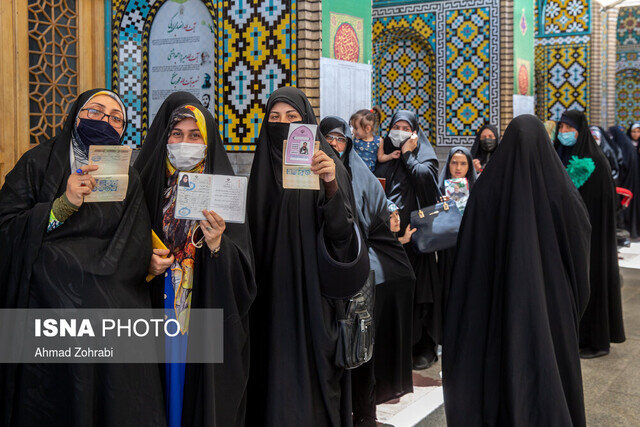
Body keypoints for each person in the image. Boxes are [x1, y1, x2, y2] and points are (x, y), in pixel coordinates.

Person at [0, 89, 165, 425]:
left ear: (122, 130)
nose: (104, 120)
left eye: (115, 117)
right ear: (76, 115)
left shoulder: (128, 177)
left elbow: (132, 240)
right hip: (49, 287)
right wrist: (64, 203)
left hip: (110, 286)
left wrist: (146, 260)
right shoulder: (38, 162)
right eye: (95, 112)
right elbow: (7, 226)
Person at [443, 115, 591, 426]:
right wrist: (570, 300)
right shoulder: (562, 194)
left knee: (497, 375)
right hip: (551, 309)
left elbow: (467, 259)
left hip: (491, 308)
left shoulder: (485, 193)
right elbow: (580, 244)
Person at [134, 92, 256, 427]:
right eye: (177, 134)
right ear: (165, 137)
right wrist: (143, 260)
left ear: (207, 140)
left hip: (202, 309)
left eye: (194, 135)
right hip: (152, 308)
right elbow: (121, 243)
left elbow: (245, 272)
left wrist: (218, 245)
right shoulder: (144, 185)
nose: (184, 142)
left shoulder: (224, 191)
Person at [247, 87, 366, 425]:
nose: (281, 124)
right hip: (268, 303)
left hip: (313, 304)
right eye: (274, 117)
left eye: (292, 118)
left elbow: (343, 238)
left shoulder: (326, 166)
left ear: (307, 123)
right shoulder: (260, 171)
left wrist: (329, 184)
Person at [320, 116, 415, 426]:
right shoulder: (306, 176)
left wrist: (392, 213)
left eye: (340, 138)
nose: (334, 143)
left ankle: (364, 416)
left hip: (359, 276)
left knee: (360, 350)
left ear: (348, 144)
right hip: (322, 275)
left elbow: (380, 205)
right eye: (327, 137)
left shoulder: (358, 173)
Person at [374, 110, 440, 370]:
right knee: (391, 291)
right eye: (395, 126)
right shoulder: (385, 156)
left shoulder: (425, 156)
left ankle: (422, 346)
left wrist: (410, 154)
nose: (399, 131)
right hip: (388, 238)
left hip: (417, 238)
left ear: (415, 132)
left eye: (405, 127)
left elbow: (426, 180)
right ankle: (395, 345)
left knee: (418, 291)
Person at [555, 110, 625, 358]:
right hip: (569, 238)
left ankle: (596, 341)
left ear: (580, 131)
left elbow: (596, 205)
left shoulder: (594, 162)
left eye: (569, 129)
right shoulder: (559, 156)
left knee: (592, 282)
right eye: (561, 128)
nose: (563, 133)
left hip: (593, 241)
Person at [608, 126, 640, 238]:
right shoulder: (628, 145)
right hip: (632, 181)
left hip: (626, 182)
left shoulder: (624, 147)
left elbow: (622, 166)